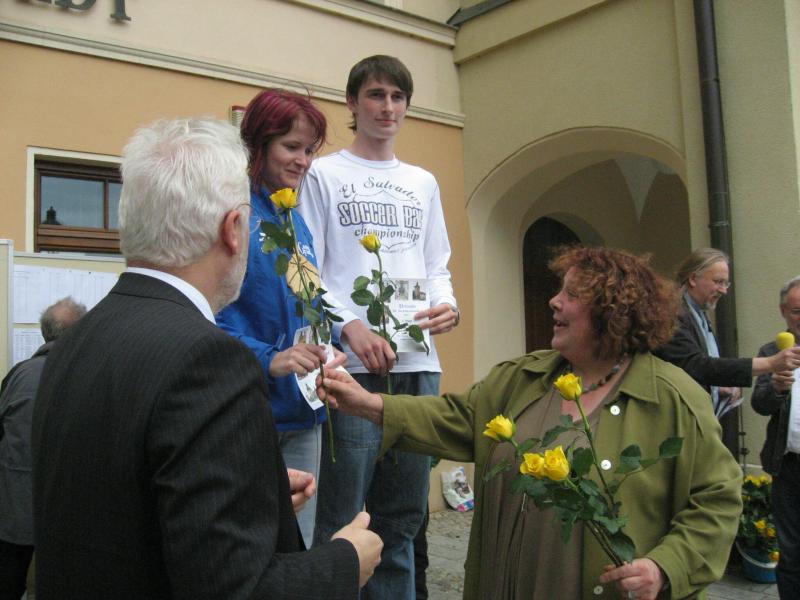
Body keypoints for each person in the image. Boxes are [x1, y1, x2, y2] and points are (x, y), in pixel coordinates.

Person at [31, 117, 382, 599]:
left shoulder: (75, 339)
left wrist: (247, 486)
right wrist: (344, 562)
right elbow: (234, 589)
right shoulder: (210, 361)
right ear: (234, 229)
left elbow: (125, 497)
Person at [319, 246, 742, 600]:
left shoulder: (672, 399)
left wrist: (664, 567)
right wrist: (368, 403)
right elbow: (458, 419)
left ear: (613, 311)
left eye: (572, 294)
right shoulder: (524, 377)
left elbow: (717, 500)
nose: (554, 301)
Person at [298, 55, 459, 598]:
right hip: (352, 372)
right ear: (352, 102)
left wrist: (448, 306)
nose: (387, 107)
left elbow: (436, 265)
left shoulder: (422, 182)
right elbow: (305, 268)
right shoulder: (324, 174)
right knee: (343, 520)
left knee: (402, 522)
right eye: (375, 94)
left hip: (418, 366)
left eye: (397, 97)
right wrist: (349, 327)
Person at [216, 88, 344, 548]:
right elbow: (203, 318)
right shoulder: (232, 215)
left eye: (309, 150)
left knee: (298, 548)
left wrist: (328, 353)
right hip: (252, 416)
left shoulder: (294, 221)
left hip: (304, 412)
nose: (303, 161)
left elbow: (307, 306)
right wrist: (267, 358)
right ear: (258, 143)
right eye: (292, 147)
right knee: (251, 549)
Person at [0, 297, 86, 600]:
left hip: (13, 509)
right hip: (68, 514)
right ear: (81, 333)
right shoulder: (89, 375)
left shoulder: (20, 373)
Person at [655, 247, 800, 418]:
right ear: (693, 279)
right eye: (718, 282)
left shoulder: (698, 314)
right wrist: (770, 363)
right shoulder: (673, 315)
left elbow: (703, 369)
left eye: (726, 283)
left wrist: (718, 386)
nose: (723, 290)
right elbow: (695, 365)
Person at [751, 275, 800, 598]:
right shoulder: (772, 352)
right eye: (797, 311)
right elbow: (760, 404)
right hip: (789, 466)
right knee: (792, 551)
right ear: (783, 312)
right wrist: (778, 387)